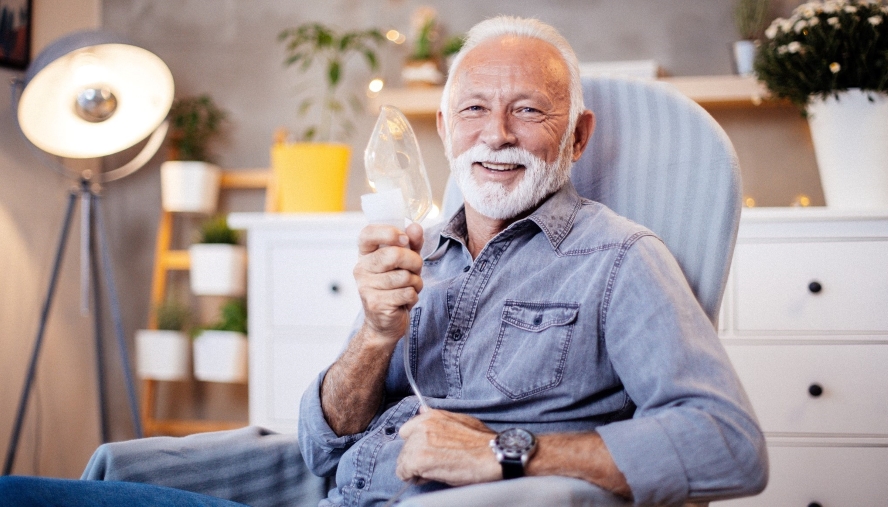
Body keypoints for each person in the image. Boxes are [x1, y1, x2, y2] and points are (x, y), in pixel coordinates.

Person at [297, 15, 767, 507]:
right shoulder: (416, 254)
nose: (496, 134)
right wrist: (375, 335)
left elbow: (728, 444)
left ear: (578, 137)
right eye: (474, 108)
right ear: (445, 126)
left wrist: (504, 452)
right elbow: (321, 449)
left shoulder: (620, 259)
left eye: (527, 110)